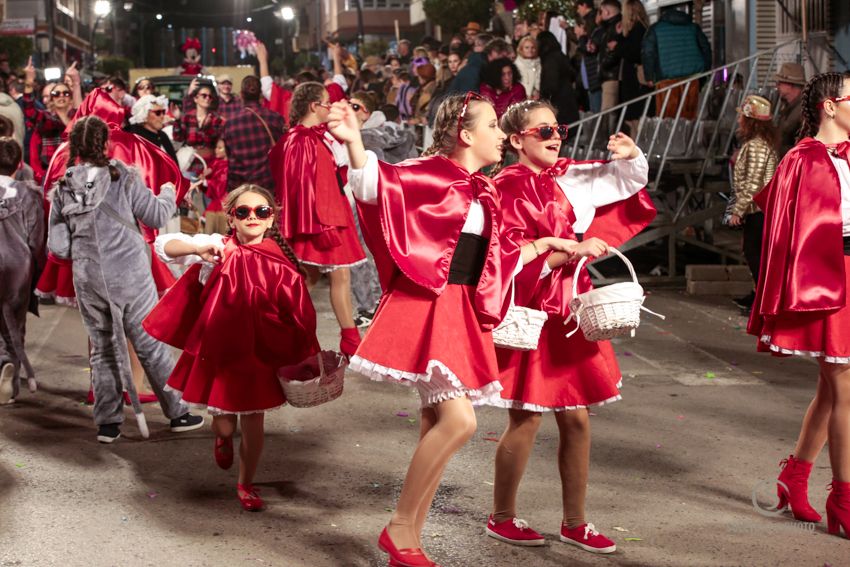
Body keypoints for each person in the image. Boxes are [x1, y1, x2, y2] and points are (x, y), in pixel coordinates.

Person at [331, 93, 584, 566]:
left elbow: (488, 261)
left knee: (436, 421)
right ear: (466, 136)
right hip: (428, 303)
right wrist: (354, 146)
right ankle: (400, 529)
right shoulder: (430, 173)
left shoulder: (481, 187)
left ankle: (408, 540)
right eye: (491, 125)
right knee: (460, 421)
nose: (499, 134)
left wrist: (541, 246)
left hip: (458, 308)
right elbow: (374, 187)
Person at [482, 99, 653, 554]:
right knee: (526, 416)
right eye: (543, 131)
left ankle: (575, 523)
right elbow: (507, 264)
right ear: (517, 140)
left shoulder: (568, 175)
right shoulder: (504, 187)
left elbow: (625, 180)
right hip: (533, 309)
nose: (556, 136)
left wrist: (631, 154)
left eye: (559, 127)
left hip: (570, 308)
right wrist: (571, 251)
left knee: (577, 420)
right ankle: (500, 517)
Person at [145, 185, 321, 511]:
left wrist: (305, 352)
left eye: (261, 211)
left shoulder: (282, 262)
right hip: (222, 355)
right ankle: (223, 436)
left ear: (271, 220)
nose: (252, 217)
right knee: (226, 423)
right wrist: (197, 251)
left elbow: (299, 312)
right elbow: (163, 245)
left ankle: (246, 483)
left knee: (254, 423)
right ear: (231, 218)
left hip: (259, 356)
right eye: (243, 212)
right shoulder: (218, 247)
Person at [45, 116, 204, 442]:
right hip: (130, 274)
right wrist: (167, 191)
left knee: (102, 350)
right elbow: (158, 215)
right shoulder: (124, 177)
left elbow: (58, 247)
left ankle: (108, 424)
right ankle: (178, 413)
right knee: (149, 343)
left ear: (74, 146)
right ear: (105, 144)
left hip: (88, 278)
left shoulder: (63, 188)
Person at [748, 72, 850, 537]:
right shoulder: (801, 159)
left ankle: (796, 475)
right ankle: (844, 501)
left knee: (832, 391)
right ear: (831, 105)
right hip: (827, 282)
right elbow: (784, 232)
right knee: (844, 389)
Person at [270, 82, 366, 357]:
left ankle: (281, 329)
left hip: (320, 217)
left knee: (307, 278)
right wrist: (324, 225)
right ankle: (349, 340)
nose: (329, 107)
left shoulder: (307, 138)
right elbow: (306, 188)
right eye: (326, 103)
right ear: (314, 106)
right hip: (320, 220)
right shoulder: (302, 140)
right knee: (337, 276)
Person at [0, 137, 44, 404]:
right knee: (14, 325)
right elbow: (36, 239)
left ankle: (0, 359)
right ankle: (11, 379)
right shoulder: (29, 193)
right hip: (18, 265)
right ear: (18, 165)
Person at [726, 95, 778, 314]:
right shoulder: (760, 144)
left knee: (754, 252)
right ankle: (759, 295)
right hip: (760, 208)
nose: (739, 119)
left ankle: (762, 299)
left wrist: (738, 210)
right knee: (755, 252)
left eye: (742, 116)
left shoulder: (756, 146)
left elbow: (754, 182)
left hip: (758, 210)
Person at [642, 6, 712, 119]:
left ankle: (669, 136)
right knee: (689, 116)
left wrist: (649, 76)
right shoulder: (693, 27)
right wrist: (706, 71)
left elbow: (648, 53)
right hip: (692, 78)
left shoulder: (655, 29)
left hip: (666, 81)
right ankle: (689, 136)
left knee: (667, 117)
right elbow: (706, 48)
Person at [222, 75, 285, 191]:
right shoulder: (275, 118)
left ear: (241, 94)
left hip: (240, 186)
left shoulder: (230, 123)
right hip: (268, 185)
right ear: (260, 94)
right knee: (268, 210)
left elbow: (229, 155)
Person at [614, 0, 654, 135]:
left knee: (635, 118)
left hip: (635, 81)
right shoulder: (642, 29)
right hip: (634, 80)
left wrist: (618, 45)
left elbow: (632, 53)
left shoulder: (638, 30)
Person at [172, 83, 224, 162]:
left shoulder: (216, 119)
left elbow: (218, 143)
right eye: (204, 95)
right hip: (189, 162)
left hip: (210, 162)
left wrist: (206, 128)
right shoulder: (187, 117)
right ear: (195, 99)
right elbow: (178, 138)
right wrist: (178, 119)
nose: (207, 98)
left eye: (210, 96)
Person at [537, 31, 580, 126]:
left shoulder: (550, 59)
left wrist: (543, 99)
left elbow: (550, 84)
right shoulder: (560, 55)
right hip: (568, 98)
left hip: (558, 102)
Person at [125, 94, 179, 166]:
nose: (162, 116)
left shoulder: (162, 136)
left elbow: (175, 165)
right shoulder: (134, 137)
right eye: (158, 113)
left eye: (163, 112)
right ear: (144, 114)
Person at [774, 62, 806, 157]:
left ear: (790, 85)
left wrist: (774, 150)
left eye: (780, 82)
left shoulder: (803, 111)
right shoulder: (786, 106)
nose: (777, 86)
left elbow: (802, 149)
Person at [597, 0, 623, 115]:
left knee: (608, 114)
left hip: (611, 75)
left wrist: (603, 64)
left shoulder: (616, 27)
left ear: (606, 12)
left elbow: (614, 52)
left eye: (601, 11)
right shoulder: (608, 27)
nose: (599, 14)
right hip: (608, 75)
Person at [200, 139, 229, 235]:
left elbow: (220, 185)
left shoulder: (228, 166)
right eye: (216, 147)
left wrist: (206, 181)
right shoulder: (216, 162)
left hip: (221, 201)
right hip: (212, 196)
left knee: (216, 227)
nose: (216, 150)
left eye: (220, 148)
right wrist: (205, 175)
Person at [514, 35, 541, 99]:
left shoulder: (539, 64)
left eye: (533, 47)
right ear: (521, 49)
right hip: (521, 98)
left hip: (537, 98)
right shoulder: (516, 65)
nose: (530, 50)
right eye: (527, 47)